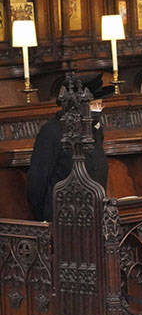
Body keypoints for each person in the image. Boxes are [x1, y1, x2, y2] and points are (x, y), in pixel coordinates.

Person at [28, 74, 112, 221]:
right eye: (94, 105)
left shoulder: (95, 129)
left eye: (100, 105)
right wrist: (44, 219)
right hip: (62, 219)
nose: (98, 110)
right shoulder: (52, 132)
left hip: (93, 216)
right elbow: (37, 182)